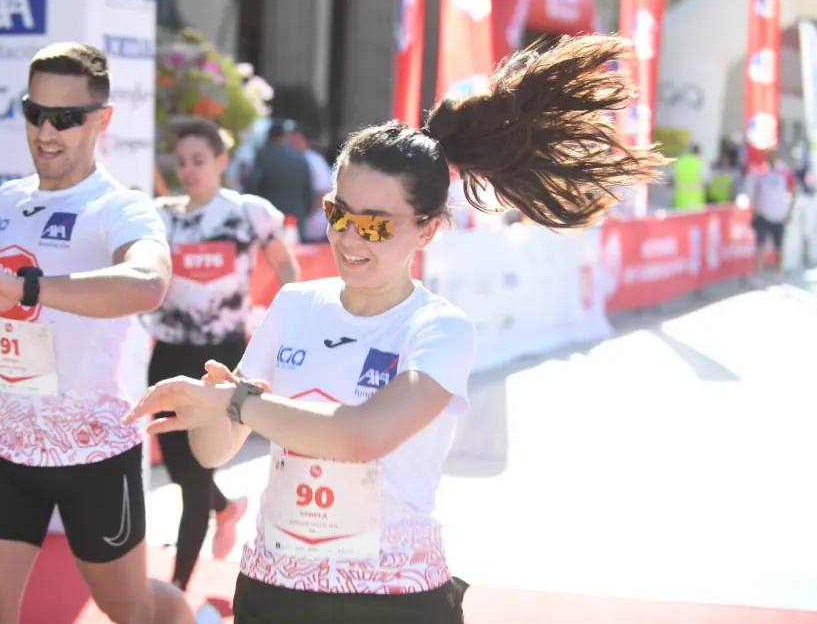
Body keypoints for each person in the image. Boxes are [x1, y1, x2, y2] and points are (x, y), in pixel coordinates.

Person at [123, 35, 665, 623]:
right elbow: (213, 454)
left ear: (427, 231)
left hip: (392, 599)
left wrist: (237, 400)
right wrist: (214, 412)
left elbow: (363, 436)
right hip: (273, 589)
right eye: (338, 214)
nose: (350, 239)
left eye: (376, 227)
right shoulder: (294, 305)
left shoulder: (440, 330)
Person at [0, 42, 193, 624]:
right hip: (6, 443)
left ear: (102, 120)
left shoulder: (120, 208)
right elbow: (23, 312)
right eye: (35, 113)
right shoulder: (10, 199)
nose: (47, 132)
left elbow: (147, 282)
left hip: (95, 450)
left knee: (131, 609)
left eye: (66, 118)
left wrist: (31, 286)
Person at [143, 118, 301, 591]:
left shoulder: (249, 213)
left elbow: (285, 266)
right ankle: (225, 507)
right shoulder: (161, 216)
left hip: (224, 359)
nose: (189, 171)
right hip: (169, 352)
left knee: (194, 476)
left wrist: (289, 322)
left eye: (199, 161)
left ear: (222, 162)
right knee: (177, 466)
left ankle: (175, 591)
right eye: (182, 162)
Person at [245, 119, 312, 230]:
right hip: (296, 218)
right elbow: (308, 190)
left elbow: (253, 185)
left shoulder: (264, 156)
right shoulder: (299, 157)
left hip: (269, 218)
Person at [745, 147, 795, 283]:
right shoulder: (760, 171)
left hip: (779, 215)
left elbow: (793, 191)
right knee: (760, 245)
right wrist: (753, 213)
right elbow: (754, 193)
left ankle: (777, 273)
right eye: (769, 154)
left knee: (778, 247)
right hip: (763, 214)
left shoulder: (785, 171)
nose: (771, 157)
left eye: (774, 154)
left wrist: (790, 211)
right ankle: (759, 274)